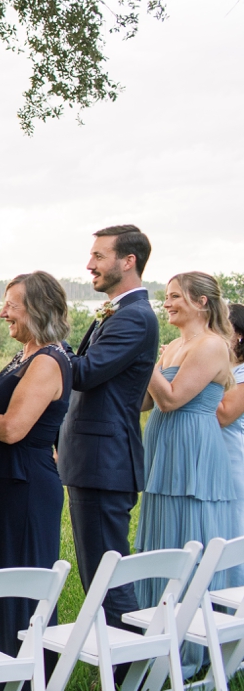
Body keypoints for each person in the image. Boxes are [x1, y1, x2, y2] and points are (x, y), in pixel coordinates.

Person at [0, 272, 72, 691]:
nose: (3, 311)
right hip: (5, 483)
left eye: (12, 305)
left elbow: (12, 428)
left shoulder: (47, 360)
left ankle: (23, 690)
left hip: (24, 486)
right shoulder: (25, 354)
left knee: (20, 580)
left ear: (38, 310)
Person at [59, 225, 158, 631]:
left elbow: (85, 372)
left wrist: (50, 338)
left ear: (128, 261)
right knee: (98, 574)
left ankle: (131, 676)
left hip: (105, 462)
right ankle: (122, 670)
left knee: (107, 578)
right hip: (96, 461)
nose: (90, 264)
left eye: (99, 256)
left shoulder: (134, 317)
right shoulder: (121, 311)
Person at [135, 273, 238, 660]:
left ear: (201, 303)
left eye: (175, 296)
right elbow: (148, 402)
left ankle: (194, 650)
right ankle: (158, 638)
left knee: (192, 530)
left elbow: (173, 399)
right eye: (166, 296)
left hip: (193, 446)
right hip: (164, 444)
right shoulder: (174, 346)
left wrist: (144, 358)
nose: (167, 303)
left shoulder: (212, 345)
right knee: (163, 534)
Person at [218, 304, 244, 498]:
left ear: (240, 335)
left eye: (224, 329)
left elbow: (225, 415)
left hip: (233, 454)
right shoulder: (222, 368)